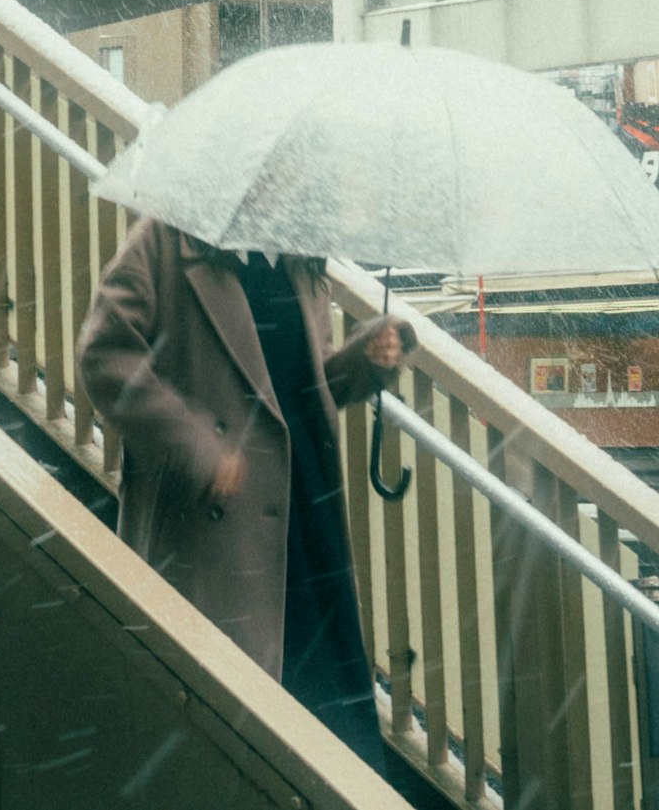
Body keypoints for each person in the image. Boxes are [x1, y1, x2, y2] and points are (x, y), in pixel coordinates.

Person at [79, 216, 434, 801]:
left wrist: (366, 358)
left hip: (303, 517)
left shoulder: (297, 253)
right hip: (216, 528)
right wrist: (196, 447)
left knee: (326, 715)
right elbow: (105, 356)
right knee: (231, 726)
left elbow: (303, 388)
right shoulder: (166, 241)